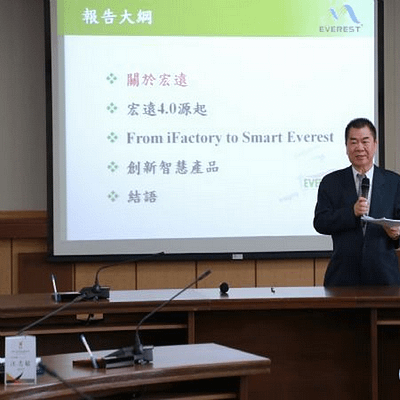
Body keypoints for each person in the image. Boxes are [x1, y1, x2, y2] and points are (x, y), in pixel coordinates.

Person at [314, 118, 400, 286]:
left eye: (365, 141)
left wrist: (397, 234)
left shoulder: (394, 182)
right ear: (346, 147)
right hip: (343, 277)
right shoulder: (331, 182)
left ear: (375, 144)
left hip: (384, 277)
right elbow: (320, 222)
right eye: (353, 142)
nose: (359, 148)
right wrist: (351, 212)